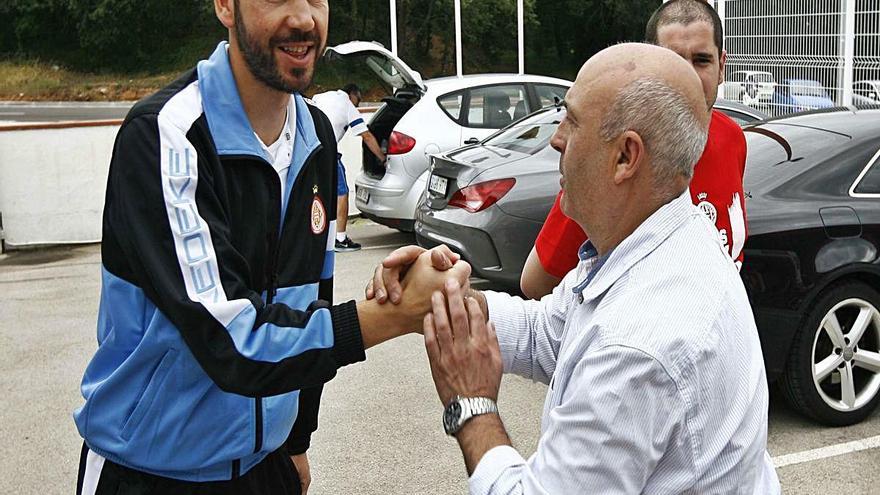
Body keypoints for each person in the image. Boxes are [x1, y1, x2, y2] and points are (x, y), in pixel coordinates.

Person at [72, 1, 469, 494]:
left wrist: (297, 439)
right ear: (225, 6)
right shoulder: (167, 134)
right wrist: (391, 314)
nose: (304, 18)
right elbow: (231, 341)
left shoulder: (317, 135)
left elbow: (311, 299)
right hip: (150, 474)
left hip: (267, 467)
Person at [372, 43, 781, 493]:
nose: (556, 137)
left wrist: (471, 406)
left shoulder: (640, 341)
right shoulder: (658, 237)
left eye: (572, 120)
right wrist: (448, 296)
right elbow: (550, 331)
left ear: (626, 157)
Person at [520, 0, 748, 299]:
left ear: (722, 67)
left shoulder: (733, 138)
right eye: (675, 61)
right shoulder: (618, 156)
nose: (690, 75)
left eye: (702, 60)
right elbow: (536, 283)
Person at [312, 83, 386, 252]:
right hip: (327, 151)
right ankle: (340, 238)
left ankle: (316, 236)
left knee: (316, 193)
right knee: (341, 193)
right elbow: (366, 136)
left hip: (309, 148)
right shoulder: (347, 104)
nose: (357, 105)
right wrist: (382, 158)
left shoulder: (322, 96)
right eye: (358, 100)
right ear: (352, 94)